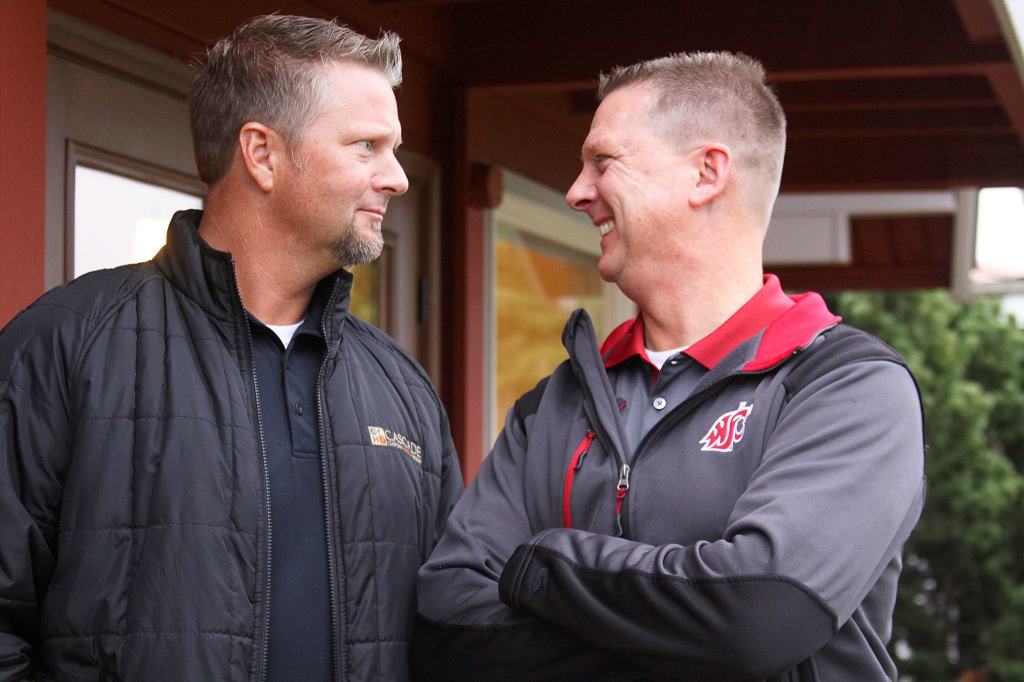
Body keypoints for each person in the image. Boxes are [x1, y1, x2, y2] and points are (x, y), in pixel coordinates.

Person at [413, 52, 925, 681]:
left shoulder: (848, 386)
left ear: (706, 173)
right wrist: (681, 633)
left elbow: (761, 615)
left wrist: (541, 565)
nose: (576, 192)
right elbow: (448, 622)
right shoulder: (555, 404)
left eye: (603, 162)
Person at [0, 15, 462, 681]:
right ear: (262, 154)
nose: (397, 178)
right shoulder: (65, 345)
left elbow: (451, 633)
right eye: (367, 146)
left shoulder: (403, 388)